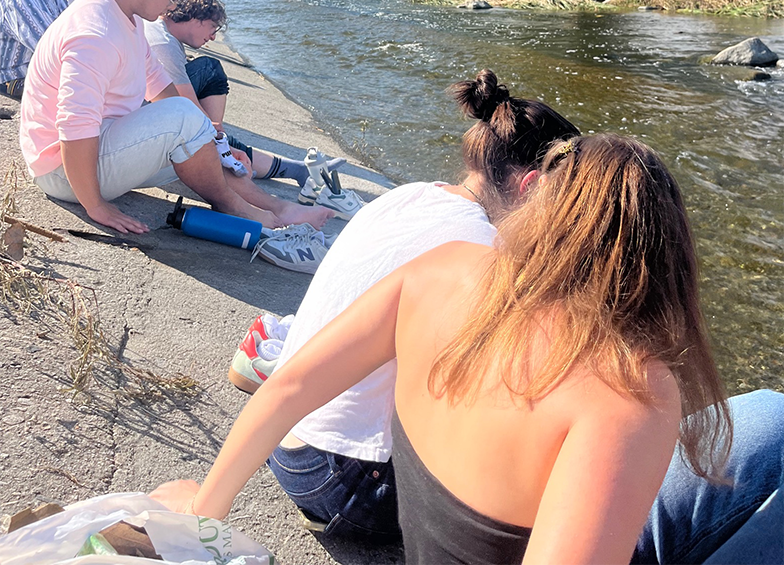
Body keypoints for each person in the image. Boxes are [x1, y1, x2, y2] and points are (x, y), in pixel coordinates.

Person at [152, 132, 749, 565]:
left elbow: (287, 387)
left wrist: (206, 508)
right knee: (768, 438)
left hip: (414, 526)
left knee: (767, 422)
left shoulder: (445, 269)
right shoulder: (633, 389)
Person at [232, 70, 580, 537]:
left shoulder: (410, 195)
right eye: (564, 197)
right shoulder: (481, 249)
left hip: (283, 440)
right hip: (342, 482)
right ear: (533, 184)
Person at [19, 0, 331, 236]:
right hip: (64, 170)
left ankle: (280, 209)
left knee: (200, 140)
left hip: (99, 144)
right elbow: (74, 127)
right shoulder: (93, 33)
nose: (173, 7)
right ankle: (245, 212)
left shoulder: (122, 12)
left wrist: (215, 143)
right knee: (185, 120)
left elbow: (157, 83)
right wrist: (96, 205)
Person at [143, 0, 345, 183]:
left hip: (150, 111)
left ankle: (290, 168)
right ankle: (221, 157)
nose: (213, 36)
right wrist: (216, 136)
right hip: (146, 125)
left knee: (211, 119)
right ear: (197, 19)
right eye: (214, 27)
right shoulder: (164, 45)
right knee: (209, 72)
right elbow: (187, 106)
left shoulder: (162, 33)